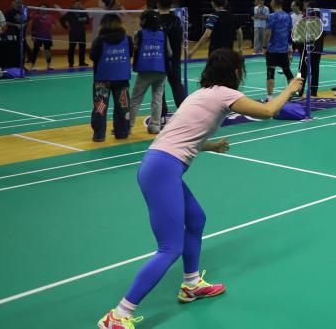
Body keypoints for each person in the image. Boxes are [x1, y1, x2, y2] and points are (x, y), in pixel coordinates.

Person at [96, 50, 304, 329]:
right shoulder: (224, 94)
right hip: (162, 170)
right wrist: (290, 88)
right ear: (234, 72)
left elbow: (178, 134)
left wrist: (210, 145)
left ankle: (191, 284)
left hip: (159, 165)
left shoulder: (200, 95)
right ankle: (119, 314)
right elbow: (267, 112)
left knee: (196, 220)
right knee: (170, 248)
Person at [90, 13, 134, 142]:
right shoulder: (128, 39)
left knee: (100, 107)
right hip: (121, 79)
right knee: (123, 106)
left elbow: (93, 57)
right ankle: (122, 132)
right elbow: (130, 54)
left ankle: (99, 135)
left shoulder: (99, 41)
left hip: (102, 80)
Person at [130, 10, 171, 135]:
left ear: (144, 21)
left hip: (145, 71)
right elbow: (169, 53)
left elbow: (134, 50)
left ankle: (127, 126)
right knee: (157, 99)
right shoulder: (163, 34)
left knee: (136, 99)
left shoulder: (139, 34)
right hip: (161, 71)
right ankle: (155, 126)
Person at [157, 0, 187, 112]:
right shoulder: (177, 20)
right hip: (174, 58)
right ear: (170, 6)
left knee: (159, 86)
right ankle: (184, 110)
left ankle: (161, 112)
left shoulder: (155, 20)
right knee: (176, 84)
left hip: (159, 59)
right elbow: (180, 38)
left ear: (158, 4)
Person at [263, 0, 294, 100]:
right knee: (287, 72)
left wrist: (264, 46)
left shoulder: (272, 16)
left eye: (271, 1)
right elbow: (291, 32)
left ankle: (269, 97)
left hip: (272, 50)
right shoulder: (288, 16)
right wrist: (290, 46)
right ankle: (290, 95)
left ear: (274, 3)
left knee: (270, 73)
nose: (270, 2)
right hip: (283, 49)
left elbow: (268, 33)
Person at [296, 0, 324, 97]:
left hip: (308, 48)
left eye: (306, 6)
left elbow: (301, 32)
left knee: (302, 70)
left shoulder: (308, 18)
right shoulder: (320, 18)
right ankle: (314, 91)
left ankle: (299, 91)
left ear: (311, 8)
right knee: (315, 70)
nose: (304, 7)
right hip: (317, 48)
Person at [60, 0, 91, 68]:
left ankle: (81, 62)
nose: (78, 5)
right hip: (73, 33)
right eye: (77, 4)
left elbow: (88, 21)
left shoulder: (83, 11)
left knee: (82, 47)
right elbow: (62, 19)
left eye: (79, 4)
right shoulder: (70, 12)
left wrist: (84, 20)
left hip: (81, 32)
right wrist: (66, 27)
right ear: (74, 5)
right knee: (71, 48)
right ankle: (71, 63)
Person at [26, 3, 56, 71]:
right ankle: (33, 65)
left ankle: (49, 65)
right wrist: (33, 36)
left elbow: (53, 24)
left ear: (47, 9)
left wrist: (52, 26)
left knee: (47, 51)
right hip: (38, 37)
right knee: (35, 51)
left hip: (47, 37)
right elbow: (33, 27)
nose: (42, 9)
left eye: (44, 8)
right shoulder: (36, 17)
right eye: (41, 8)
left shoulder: (50, 17)